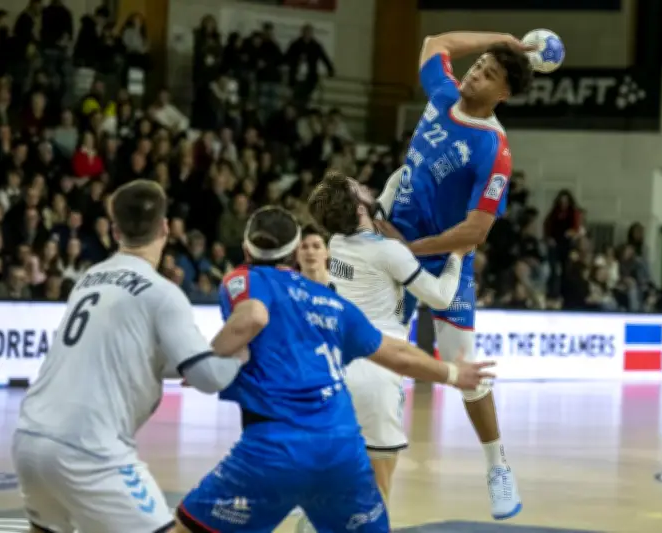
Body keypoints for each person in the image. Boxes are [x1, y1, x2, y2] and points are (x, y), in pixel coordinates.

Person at [174, 206, 495, 533]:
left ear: (245, 250)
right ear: (296, 252)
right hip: (342, 450)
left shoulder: (244, 278)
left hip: (276, 446)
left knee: (187, 527)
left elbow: (253, 316)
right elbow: (396, 353)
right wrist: (454, 374)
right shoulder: (334, 302)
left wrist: (203, 360)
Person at [11, 180, 259, 533]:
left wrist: (189, 361)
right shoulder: (162, 293)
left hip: (30, 438)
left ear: (114, 230)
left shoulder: (89, 278)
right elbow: (208, 378)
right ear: (165, 228)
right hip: (89, 447)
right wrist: (238, 356)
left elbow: (139, 356)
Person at [380, 31, 535, 520]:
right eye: (479, 64)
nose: (476, 72)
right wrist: (501, 39)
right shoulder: (443, 93)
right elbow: (434, 40)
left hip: (445, 257)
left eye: (489, 72)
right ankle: (353, 489)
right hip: (391, 246)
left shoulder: (494, 150)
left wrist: (415, 250)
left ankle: (497, 466)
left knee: (463, 368)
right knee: (375, 361)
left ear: (503, 95)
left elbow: (476, 229)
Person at [306, 170, 466, 508]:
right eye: (356, 186)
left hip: (335, 370)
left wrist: (408, 168)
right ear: (358, 206)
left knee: (329, 490)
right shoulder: (390, 253)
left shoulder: (337, 243)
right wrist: (457, 257)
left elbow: (383, 198)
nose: (364, 184)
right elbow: (440, 297)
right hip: (379, 370)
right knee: (376, 496)